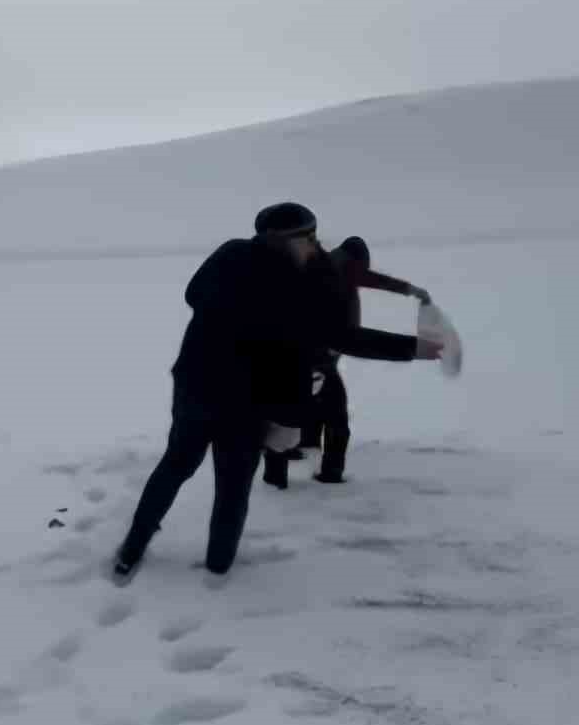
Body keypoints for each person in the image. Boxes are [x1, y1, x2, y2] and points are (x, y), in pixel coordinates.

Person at [112, 205, 441, 583]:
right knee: (225, 485)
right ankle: (208, 567)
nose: (316, 246)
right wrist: (414, 348)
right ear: (280, 240)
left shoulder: (231, 255)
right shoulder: (293, 285)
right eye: (309, 239)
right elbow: (342, 336)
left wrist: (411, 347)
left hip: (197, 390)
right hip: (236, 403)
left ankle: (136, 550)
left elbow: (195, 294)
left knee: (179, 469)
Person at [265, 235, 434, 487]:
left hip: (318, 350)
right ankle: (325, 472)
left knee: (305, 401)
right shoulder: (333, 274)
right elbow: (336, 325)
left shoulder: (338, 267)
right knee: (332, 413)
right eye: (362, 266)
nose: (364, 272)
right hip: (322, 350)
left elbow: (376, 280)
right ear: (355, 261)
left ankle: (298, 451)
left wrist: (409, 289)